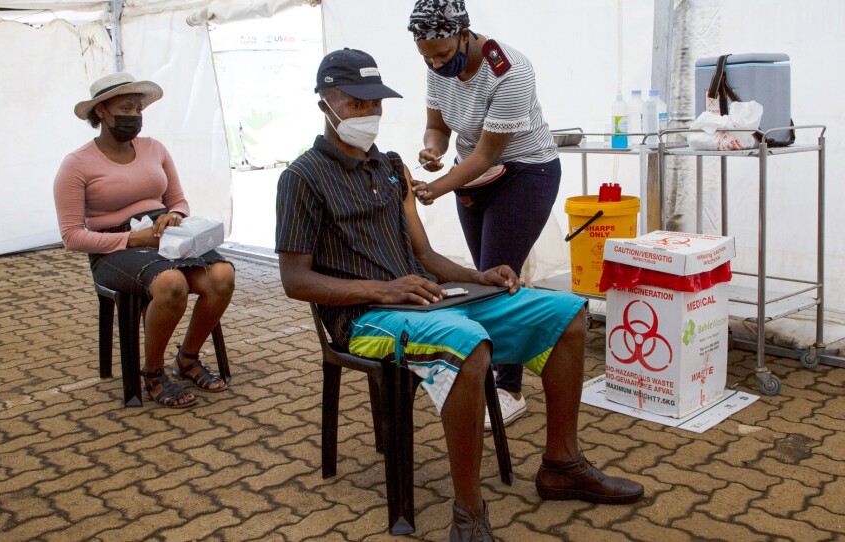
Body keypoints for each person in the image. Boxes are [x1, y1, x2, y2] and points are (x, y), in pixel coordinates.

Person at [276, 48, 644, 542]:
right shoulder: (300, 179)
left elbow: (425, 255)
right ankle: (469, 512)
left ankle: (562, 463)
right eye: (356, 103)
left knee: (566, 314)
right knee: (467, 343)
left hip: (425, 295)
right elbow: (295, 282)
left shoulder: (389, 166)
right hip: (364, 317)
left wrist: (478, 276)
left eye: (375, 103)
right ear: (326, 102)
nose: (369, 114)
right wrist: (385, 289)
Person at [407, 0, 564, 430]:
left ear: (464, 32)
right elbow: (438, 126)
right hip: (473, 178)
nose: (436, 63)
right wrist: (433, 150)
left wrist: (436, 188)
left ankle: (509, 388)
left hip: (524, 173)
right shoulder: (436, 66)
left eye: (442, 52)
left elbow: (486, 153)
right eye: (427, 56)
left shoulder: (510, 70)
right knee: (484, 275)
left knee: (498, 275)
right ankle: (492, 369)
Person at [54, 72, 235, 408]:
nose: (134, 116)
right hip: (113, 246)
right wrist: (131, 240)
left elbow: (178, 200)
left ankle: (188, 358)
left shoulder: (154, 148)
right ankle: (152, 373)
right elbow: (72, 236)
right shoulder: (76, 164)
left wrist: (175, 215)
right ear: (102, 112)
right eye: (125, 108)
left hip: (165, 233)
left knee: (222, 276)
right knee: (171, 284)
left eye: (138, 109)